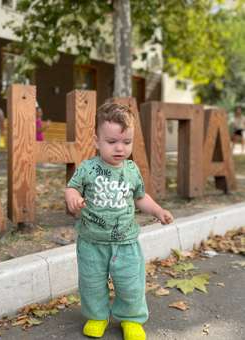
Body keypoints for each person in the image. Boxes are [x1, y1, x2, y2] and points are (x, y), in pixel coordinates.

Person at [65, 103, 173, 340]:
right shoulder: (88, 168)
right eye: (112, 142)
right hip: (92, 241)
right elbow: (71, 188)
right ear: (97, 140)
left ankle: (131, 319)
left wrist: (158, 210)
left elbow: (140, 197)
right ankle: (97, 316)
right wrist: (73, 198)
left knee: (130, 283)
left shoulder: (132, 170)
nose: (120, 148)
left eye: (126, 142)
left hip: (126, 241)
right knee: (92, 283)